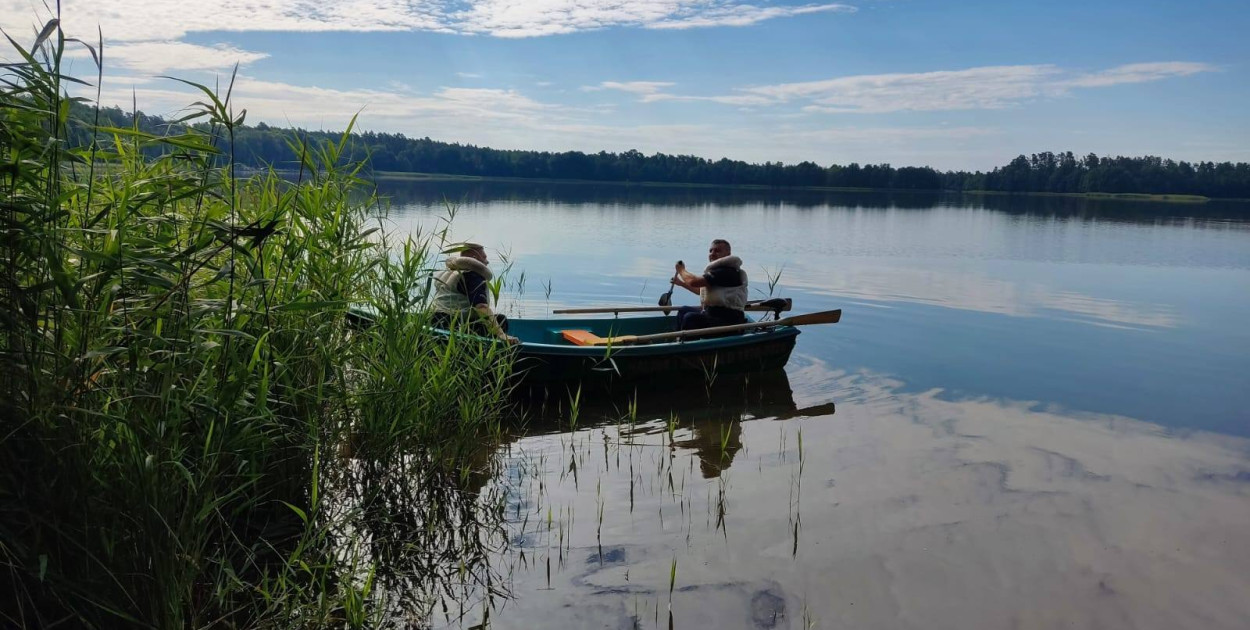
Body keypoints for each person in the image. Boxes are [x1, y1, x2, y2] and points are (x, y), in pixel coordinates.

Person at [431, 243, 519, 344]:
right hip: (454, 326)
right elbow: (481, 307)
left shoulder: (447, 273)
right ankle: (488, 354)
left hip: (436, 322)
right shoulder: (472, 276)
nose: (487, 261)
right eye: (484, 257)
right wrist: (501, 334)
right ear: (474, 258)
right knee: (501, 319)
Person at [672, 239, 748, 331]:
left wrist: (681, 270)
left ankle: (688, 343)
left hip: (729, 321)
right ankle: (679, 340)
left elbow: (693, 281)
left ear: (728, 254)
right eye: (710, 251)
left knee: (690, 318)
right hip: (712, 314)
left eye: (717, 251)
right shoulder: (717, 271)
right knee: (683, 311)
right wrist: (681, 283)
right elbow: (700, 291)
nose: (712, 253)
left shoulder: (726, 271)